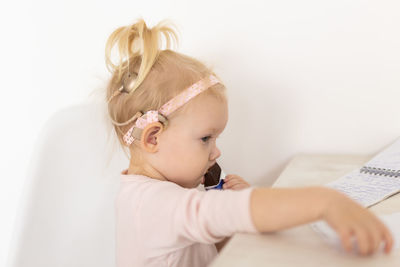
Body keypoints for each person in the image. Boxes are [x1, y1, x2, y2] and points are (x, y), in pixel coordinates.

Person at [105, 18, 393, 267]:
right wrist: (324, 201)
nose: (216, 151)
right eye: (205, 138)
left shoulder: (164, 195)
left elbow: (217, 249)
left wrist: (228, 223)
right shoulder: (150, 204)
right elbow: (224, 213)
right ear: (153, 137)